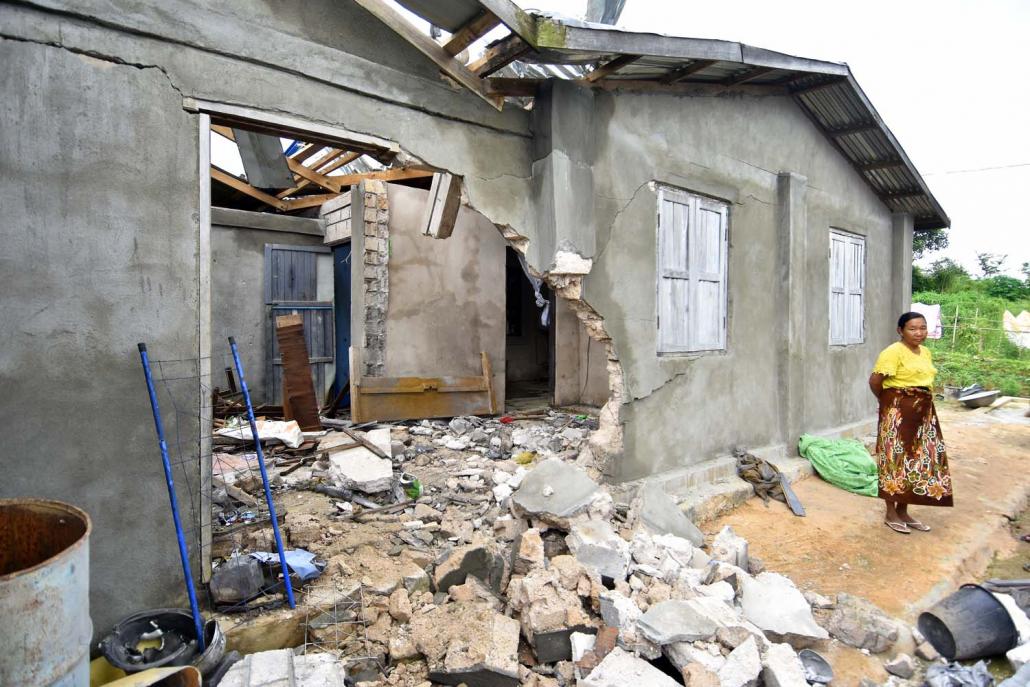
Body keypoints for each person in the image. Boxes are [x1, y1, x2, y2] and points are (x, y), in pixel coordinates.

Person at [868, 312, 953, 534]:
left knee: (919, 458)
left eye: (922, 328)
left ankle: (904, 510)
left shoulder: (925, 352)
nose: (919, 333)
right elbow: (875, 381)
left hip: (923, 411)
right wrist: (889, 404)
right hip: (897, 411)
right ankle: (890, 512)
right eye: (913, 328)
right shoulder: (892, 352)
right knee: (894, 458)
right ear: (900, 331)